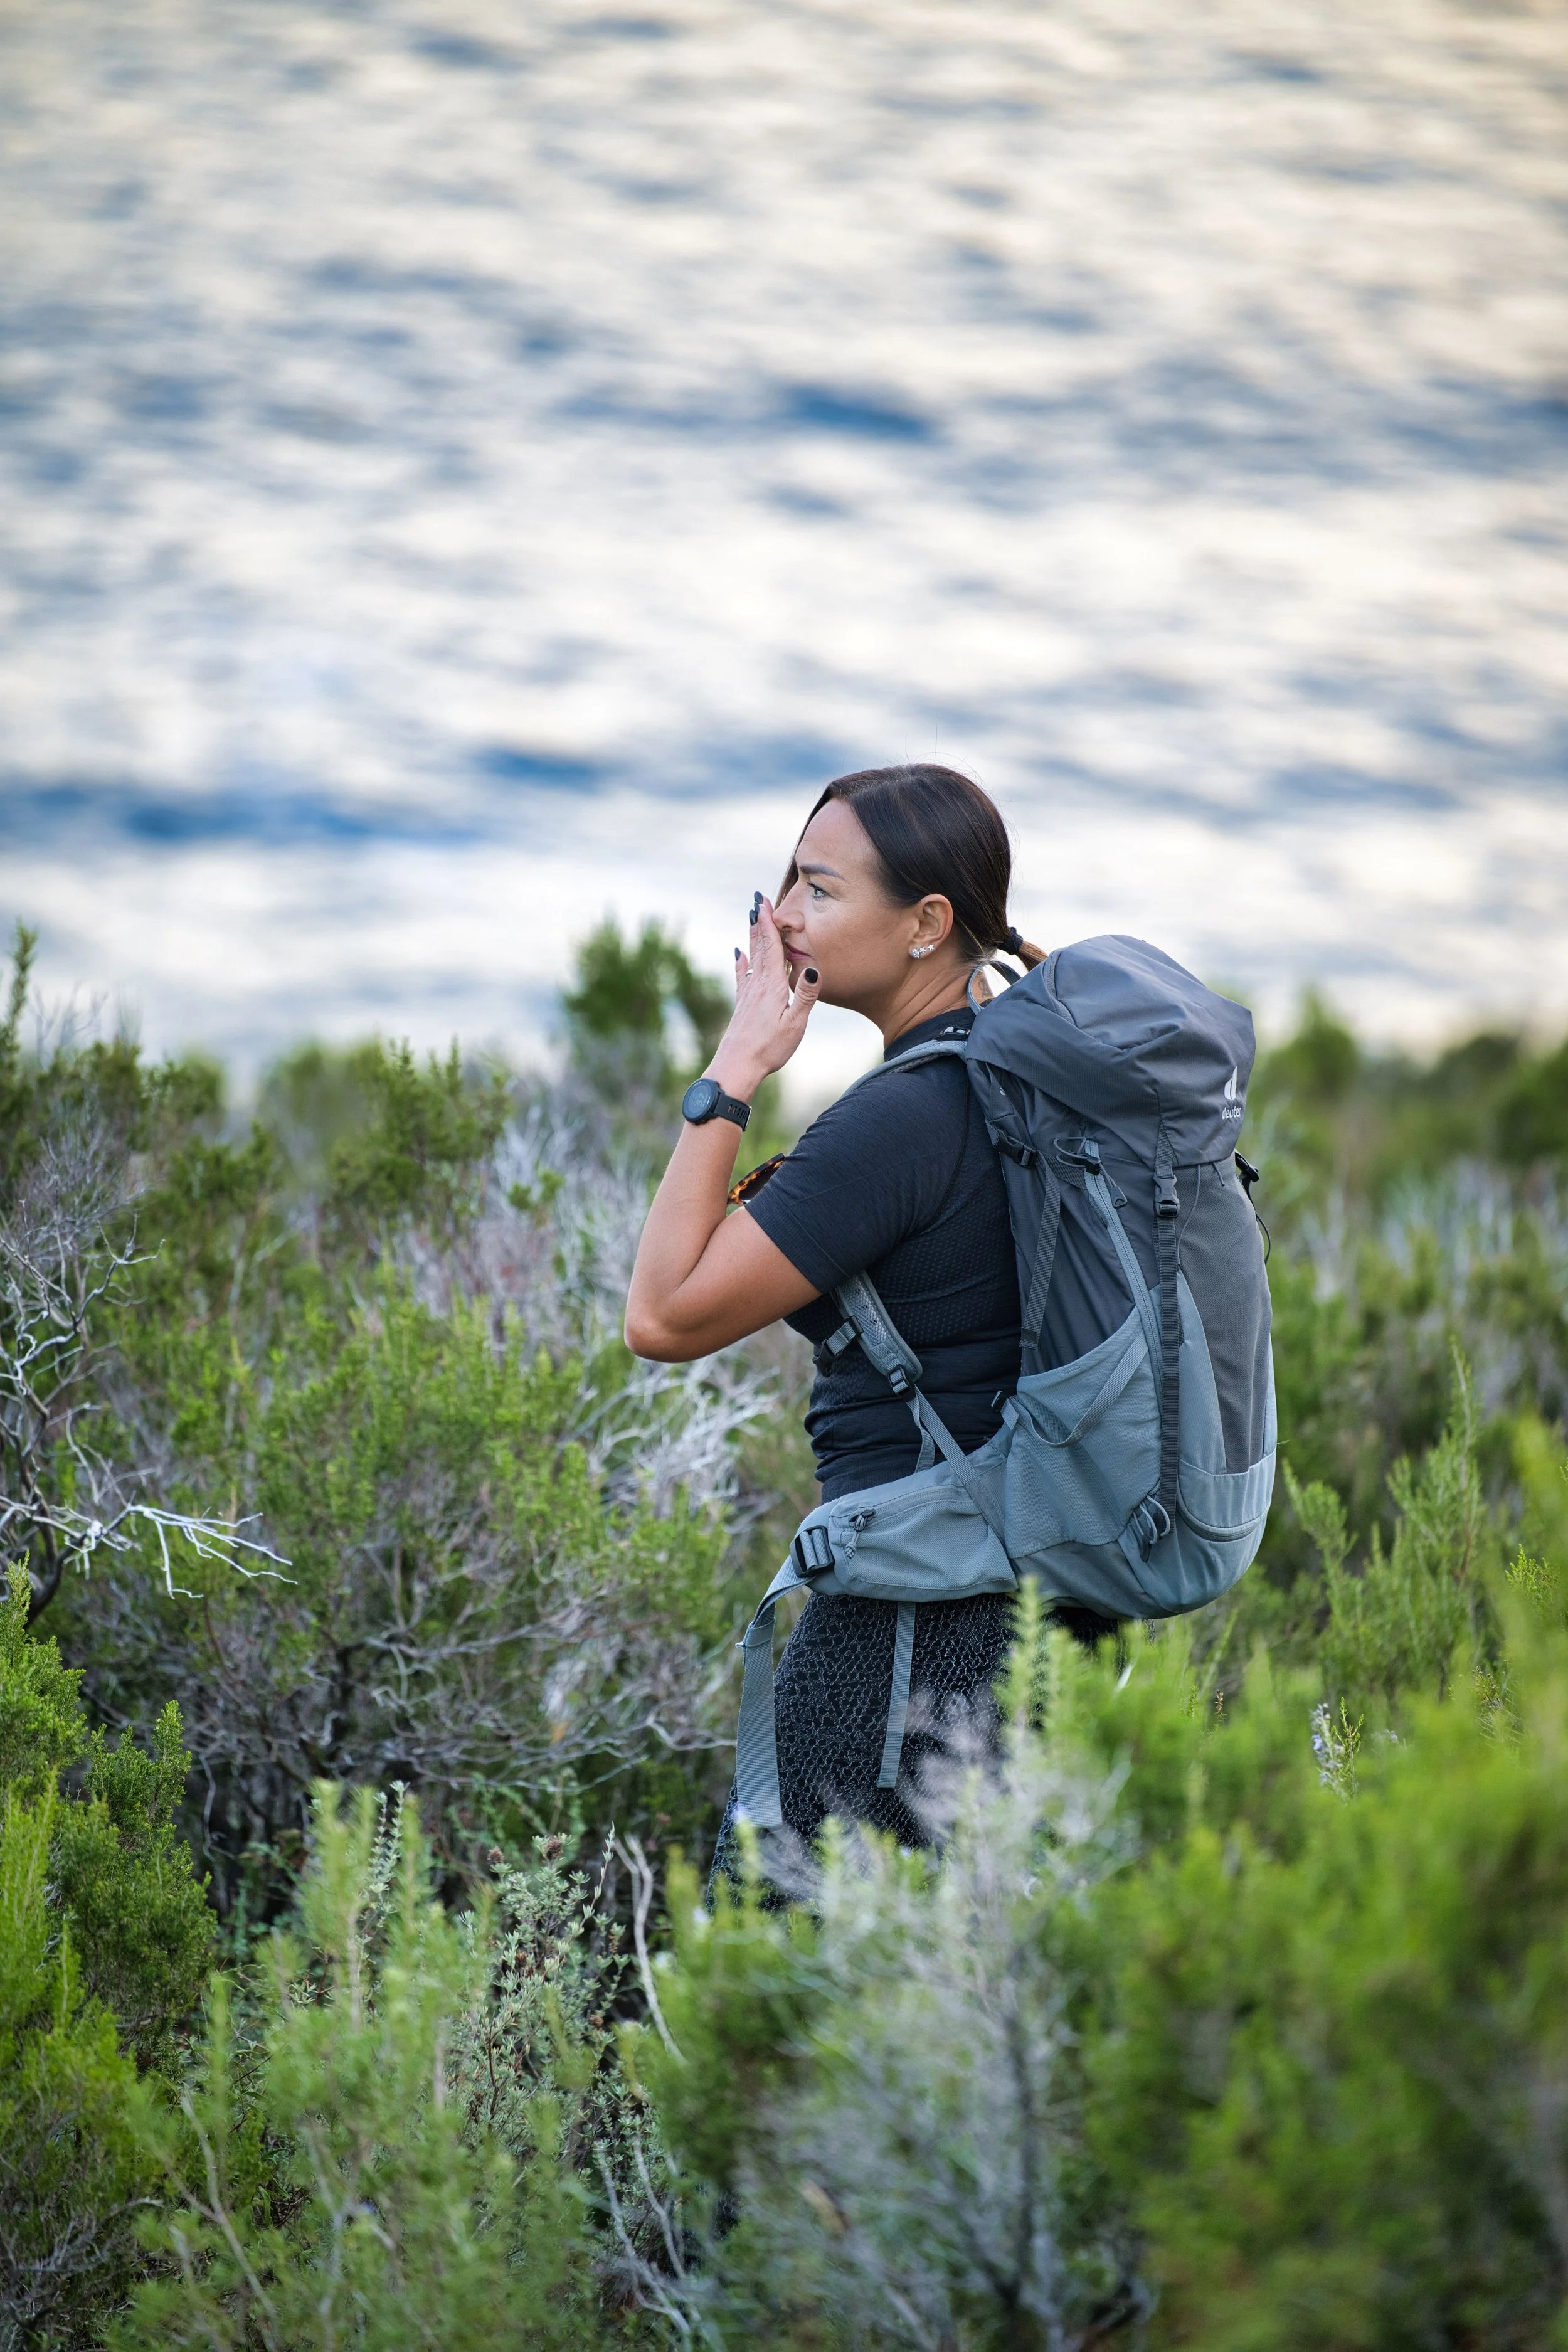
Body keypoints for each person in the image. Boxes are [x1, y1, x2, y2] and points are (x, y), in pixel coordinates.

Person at [625, 762, 1055, 1879]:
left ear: (926, 924)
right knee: (964, 1994)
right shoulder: (1020, 1077)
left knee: (758, 2002)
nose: (780, 918)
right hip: (1035, 1608)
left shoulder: (902, 1122)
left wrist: (737, 1065)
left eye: (818, 889)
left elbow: (663, 1311)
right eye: (784, 883)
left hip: (903, 1623)